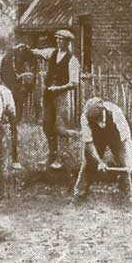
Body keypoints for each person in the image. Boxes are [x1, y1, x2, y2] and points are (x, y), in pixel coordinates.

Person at [31, 29, 80, 169]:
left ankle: (62, 157)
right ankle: (51, 154)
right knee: (47, 125)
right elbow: (37, 52)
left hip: (62, 96)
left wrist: (58, 88)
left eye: (61, 40)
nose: (58, 42)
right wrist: (25, 49)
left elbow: (74, 84)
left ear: (68, 42)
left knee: (60, 127)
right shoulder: (52, 53)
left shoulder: (72, 60)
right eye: (57, 39)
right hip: (48, 95)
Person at [72, 97, 132, 202]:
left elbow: (126, 139)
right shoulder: (85, 117)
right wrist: (99, 161)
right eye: (93, 119)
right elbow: (89, 143)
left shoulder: (116, 112)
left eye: (97, 118)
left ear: (103, 111)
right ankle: (79, 195)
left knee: (124, 164)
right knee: (88, 163)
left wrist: (130, 160)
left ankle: (126, 196)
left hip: (116, 138)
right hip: (97, 138)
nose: (97, 121)